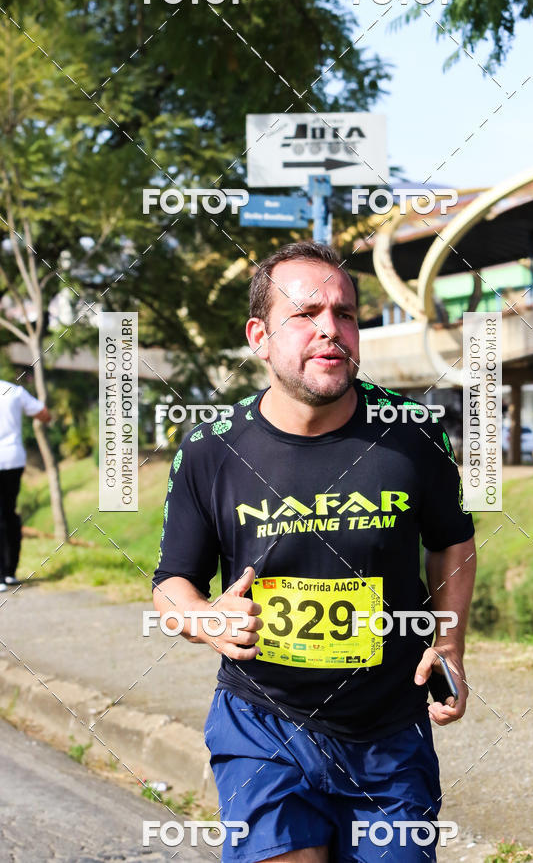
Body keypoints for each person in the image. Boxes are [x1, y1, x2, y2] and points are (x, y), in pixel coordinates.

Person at [153, 242, 477, 863]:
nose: (331, 329)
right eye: (305, 314)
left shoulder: (412, 433)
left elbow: (452, 541)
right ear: (259, 336)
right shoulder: (210, 449)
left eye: (346, 313)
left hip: (388, 731)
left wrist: (451, 642)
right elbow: (172, 582)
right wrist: (205, 619)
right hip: (262, 722)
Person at [0, 379, 51, 591]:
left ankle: (1, 575)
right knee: (9, 511)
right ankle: (10, 571)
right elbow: (44, 414)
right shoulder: (14, 390)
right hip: (13, 459)